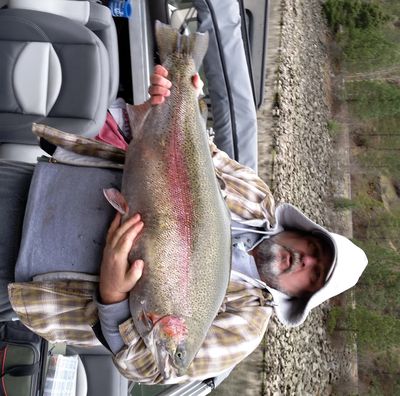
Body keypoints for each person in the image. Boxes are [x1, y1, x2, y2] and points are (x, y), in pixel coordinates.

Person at [3, 66, 368, 385]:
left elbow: (150, 370)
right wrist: (157, 112)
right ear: (306, 233)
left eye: (314, 274)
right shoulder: (254, 194)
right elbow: (184, 145)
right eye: (314, 251)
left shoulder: (244, 330)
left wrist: (113, 297)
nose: (305, 261)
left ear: (302, 295)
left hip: (19, 274)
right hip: (31, 184)